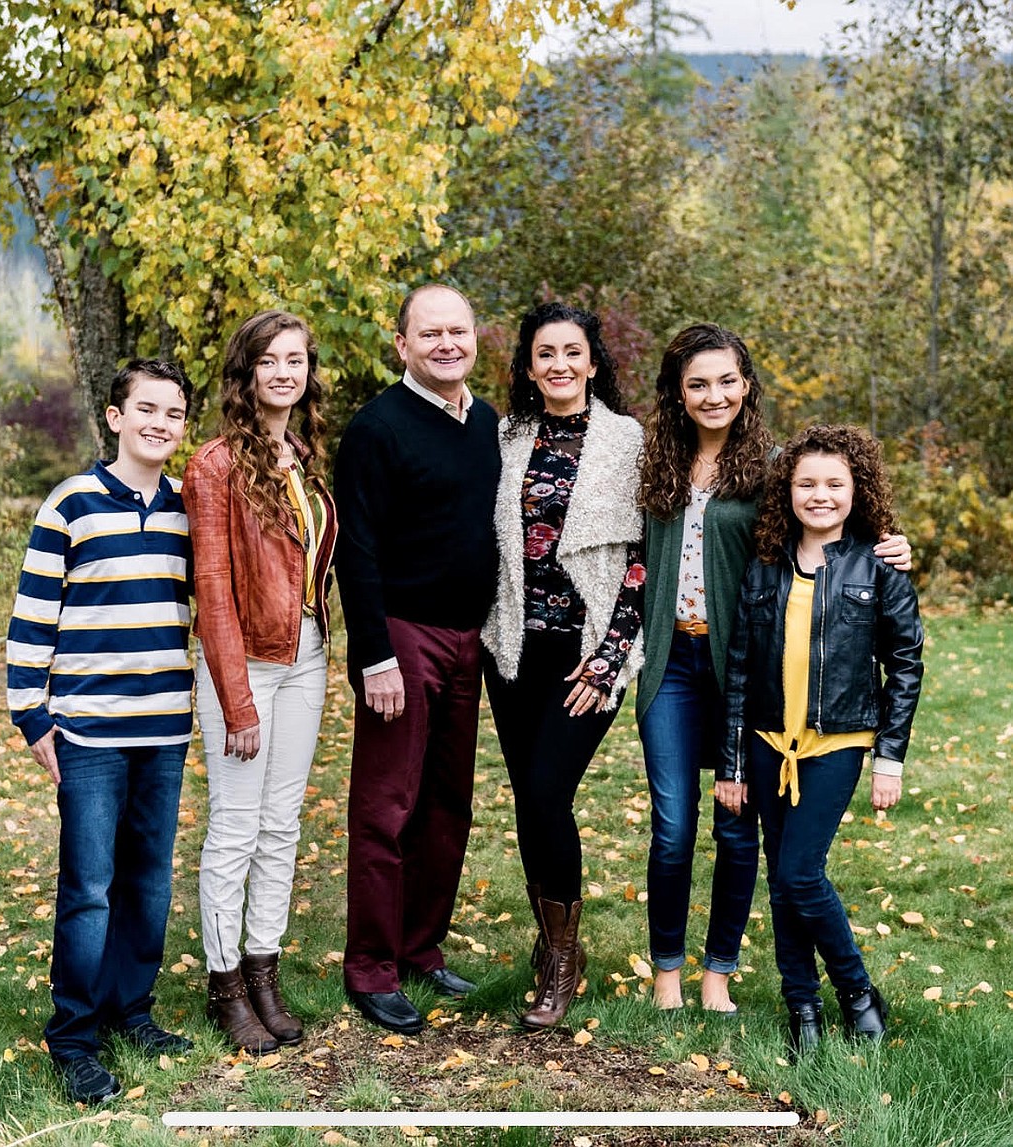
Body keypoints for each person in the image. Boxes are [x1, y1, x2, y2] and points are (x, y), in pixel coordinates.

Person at [636, 324, 912, 1014]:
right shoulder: (658, 461)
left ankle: (718, 972)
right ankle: (667, 967)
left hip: (745, 664)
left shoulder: (770, 463)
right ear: (677, 391)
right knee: (673, 821)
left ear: (748, 384)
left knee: (738, 826)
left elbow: (830, 511)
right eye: (697, 382)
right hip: (672, 657)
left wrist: (893, 546)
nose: (714, 394)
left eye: (727, 379)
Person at [6, 359, 195, 1105]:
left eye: (174, 412)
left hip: (164, 727)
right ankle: (74, 1034)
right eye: (146, 408)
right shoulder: (71, 504)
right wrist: (32, 713)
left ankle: (130, 1009)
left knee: (148, 879)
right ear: (115, 417)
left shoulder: (188, 508)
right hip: (89, 730)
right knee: (89, 885)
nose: (160, 422)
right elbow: (31, 618)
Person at [719, 424, 923, 1054]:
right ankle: (800, 1006)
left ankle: (857, 991)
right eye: (807, 483)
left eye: (835, 484)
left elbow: (907, 662)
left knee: (801, 873)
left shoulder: (878, 565)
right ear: (788, 491)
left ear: (857, 490)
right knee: (782, 880)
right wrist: (731, 761)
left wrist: (889, 756)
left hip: (837, 743)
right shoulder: (766, 565)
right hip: (767, 741)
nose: (821, 495)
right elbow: (740, 667)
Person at [334, 283, 501, 1035]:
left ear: (474, 339)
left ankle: (419, 946)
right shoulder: (376, 428)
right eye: (428, 333)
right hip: (401, 635)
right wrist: (374, 657)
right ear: (401, 344)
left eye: (457, 332)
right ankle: (369, 964)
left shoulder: (489, 424)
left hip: (471, 637)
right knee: (386, 806)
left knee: (446, 806)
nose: (445, 344)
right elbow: (356, 550)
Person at [481, 301, 645, 1028]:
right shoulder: (506, 436)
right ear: (527, 365)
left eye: (572, 352)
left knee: (548, 791)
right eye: (545, 353)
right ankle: (553, 947)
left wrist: (609, 662)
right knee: (528, 798)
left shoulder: (626, 441)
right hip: (515, 648)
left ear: (592, 360)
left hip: (587, 654)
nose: (559, 365)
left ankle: (562, 961)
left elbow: (644, 562)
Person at [182, 311, 337, 1054]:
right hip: (242, 665)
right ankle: (225, 986)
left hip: (306, 654)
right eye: (269, 361)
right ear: (246, 375)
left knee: (282, 826)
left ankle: (264, 970)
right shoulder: (214, 465)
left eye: (296, 360)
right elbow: (212, 588)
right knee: (236, 828)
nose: (285, 372)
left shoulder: (301, 455)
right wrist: (236, 698)